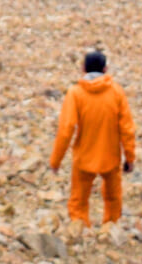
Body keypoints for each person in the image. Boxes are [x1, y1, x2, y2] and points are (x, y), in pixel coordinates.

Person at [49, 49, 137, 230]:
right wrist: (129, 157)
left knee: (79, 200)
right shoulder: (116, 92)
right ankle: (110, 229)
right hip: (111, 156)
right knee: (113, 198)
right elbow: (127, 129)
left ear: (83, 69)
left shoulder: (75, 93)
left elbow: (66, 130)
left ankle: (80, 230)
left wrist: (56, 160)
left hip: (84, 157)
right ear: (105, 69)